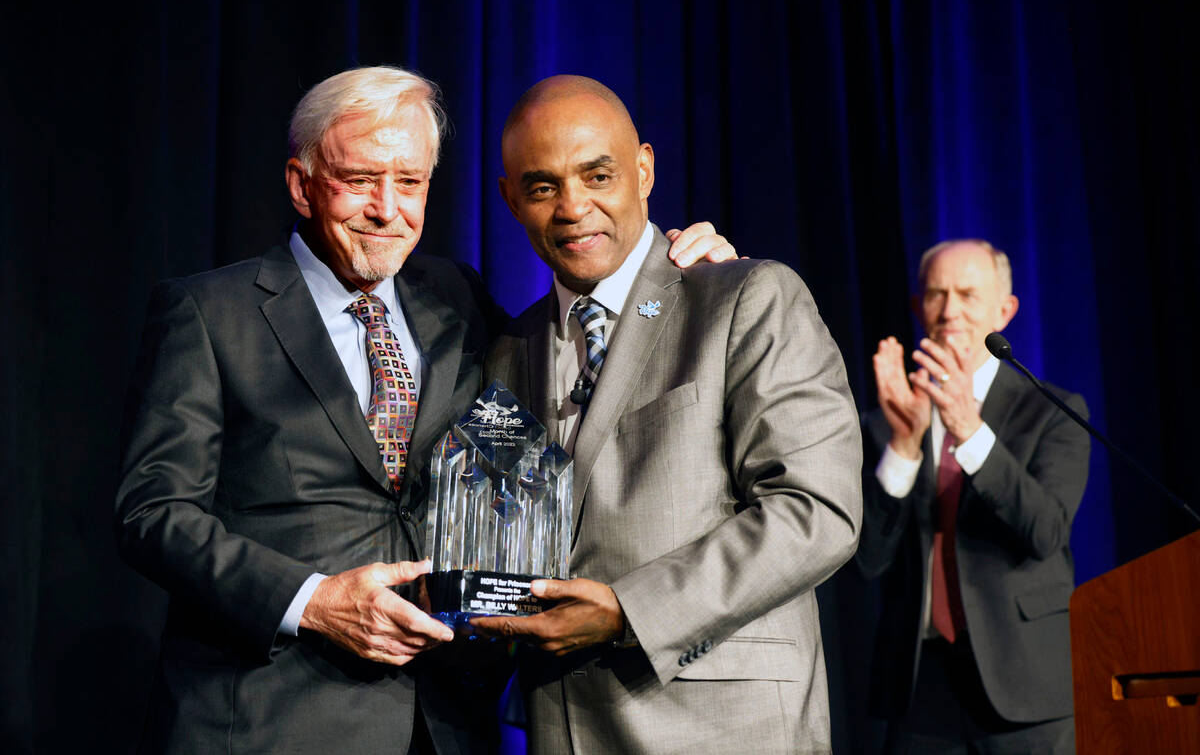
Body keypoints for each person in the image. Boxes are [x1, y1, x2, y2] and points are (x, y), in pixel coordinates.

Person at [114, 65, 732, 755]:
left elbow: (574, 374)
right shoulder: (207, 312)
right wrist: (313, 600)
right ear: (301, 184)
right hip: (266, 720)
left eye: (409, 182)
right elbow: (152, 511)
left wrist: (672, 284)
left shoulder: (456, 296)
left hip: (447, 726)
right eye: (359, 180)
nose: (387, 207)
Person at [470, 75, 862, 754]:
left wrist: (628, 610)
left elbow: (816, 510)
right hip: (565, 727)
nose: (573, 207)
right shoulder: (507, 351)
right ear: (510, 199)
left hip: (727, 729)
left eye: (598, 174)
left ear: (644, 170)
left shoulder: (744, 297)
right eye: (542, 187)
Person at [857, 239, 1090, 753]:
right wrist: (903, 445)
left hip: (1024, 683)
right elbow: (867, 560)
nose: (950, 311)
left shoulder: (1052, 411)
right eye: (936, 295)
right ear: (918, 307)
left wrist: (970, 430)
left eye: (967, 294)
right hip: (919, 688)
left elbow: (1046, 532)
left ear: (1004, 311)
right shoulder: (887, 420)